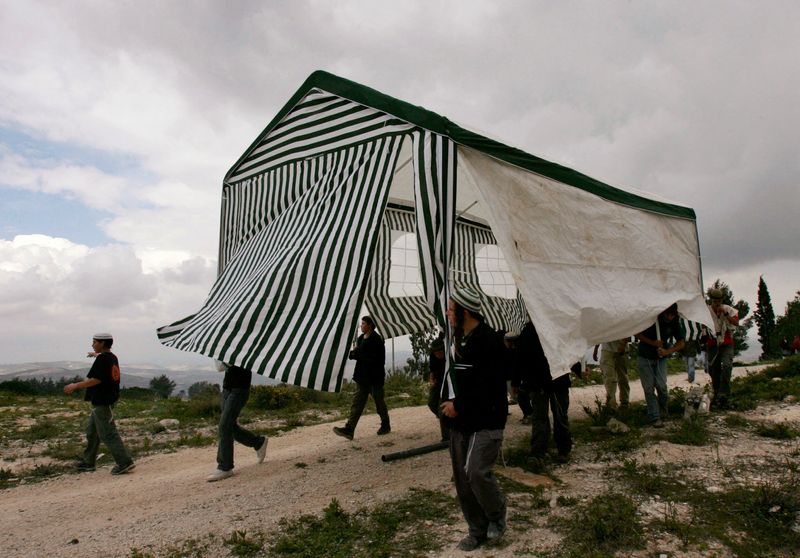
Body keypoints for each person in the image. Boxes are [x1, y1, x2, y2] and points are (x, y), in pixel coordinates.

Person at [440, 287, 508, 552]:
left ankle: (497, 513)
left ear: (465, 311)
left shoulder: (489, 341)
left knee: (475, 471)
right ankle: (476, 529)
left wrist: (459, 405)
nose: (447, 313)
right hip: (461, 421)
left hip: (486, 419)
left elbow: (488, 386)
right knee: (461, 478)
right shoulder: (457, 340)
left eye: (450, 308)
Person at [64, 333, 135, 475]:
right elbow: (105, 365)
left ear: (102, 343)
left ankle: (124, 462)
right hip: (102, 401)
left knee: (108, 433)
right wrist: (96, 355)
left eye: (94, 342)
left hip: (103, 401)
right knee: (92, 432)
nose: (92, 344)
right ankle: (88, 462)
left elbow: (96, 380)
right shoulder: (111, 357)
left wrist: (75, 385)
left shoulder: (103, 359)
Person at [206, 363, 268, 482]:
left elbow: (220, 367)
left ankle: (225, 467)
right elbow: (220, 367)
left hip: (239, 390)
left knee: (224, 426)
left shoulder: (241, 347)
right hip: (227, 389)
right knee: (230, 427)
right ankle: (258, 442)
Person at [333, 316, 390, 440]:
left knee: (379, 403)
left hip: (375, 378)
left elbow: (377, 360)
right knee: (357, 404)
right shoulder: (360, 339)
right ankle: (349, 429)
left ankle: (385, 424)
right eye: (361, 323)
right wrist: (354, 354)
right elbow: (355, 355)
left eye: (363, 323)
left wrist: (359, 354)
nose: (361, 326)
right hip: (362, 378)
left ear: (370, 325)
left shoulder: (377, 340)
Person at [635, 304, 685, 427]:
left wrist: (668, 351)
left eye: (672, 315)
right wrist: (652, 342)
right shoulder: (651, 318)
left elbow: (681, 343)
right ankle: (654, 416)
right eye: (667, 314)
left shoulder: (675, 322)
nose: (669, 317)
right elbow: (637, 333)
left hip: (661, 358)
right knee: (648, 388)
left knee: (661, 386)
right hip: (644, 356)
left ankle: (663, 412)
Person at [706, 289, 739, 409]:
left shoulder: (729, 309)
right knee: (713, 369)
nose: (717, 303)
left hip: (727, 341)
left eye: (719, 301)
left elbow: (736, 323)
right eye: (715, 301)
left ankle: (724, 393)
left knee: (727, 365)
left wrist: (725, 314)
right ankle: (717, 393)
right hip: (712, 342)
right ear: (712, 300)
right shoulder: (706, 311)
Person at [592, 338, 630, 409]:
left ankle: (625, 403)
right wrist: (596, 349)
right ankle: (611, 405)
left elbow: (628, 329)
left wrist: (623, 344)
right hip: (607, 350)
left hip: (622, 348)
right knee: (609, 377)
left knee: (622, 378)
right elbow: (601, 332)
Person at [426, 335, 450, 442]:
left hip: (448, 382)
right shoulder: (433, 356)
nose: (438, 355)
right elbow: (432, 370)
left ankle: (446, 437)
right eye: (436, 354)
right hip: (438, 381)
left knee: (442, 409)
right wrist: (431, 380)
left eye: (440, 353)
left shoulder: (450, 354)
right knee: (431, 403)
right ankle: (448, 422)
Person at [506, 331, 533, 423]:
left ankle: (529, 414)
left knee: (521, 396)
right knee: (520, 397)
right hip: (516, 377)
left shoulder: (517, 350)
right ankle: (528, 414)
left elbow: (517, 367)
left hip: (520, 377)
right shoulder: (514, 350)